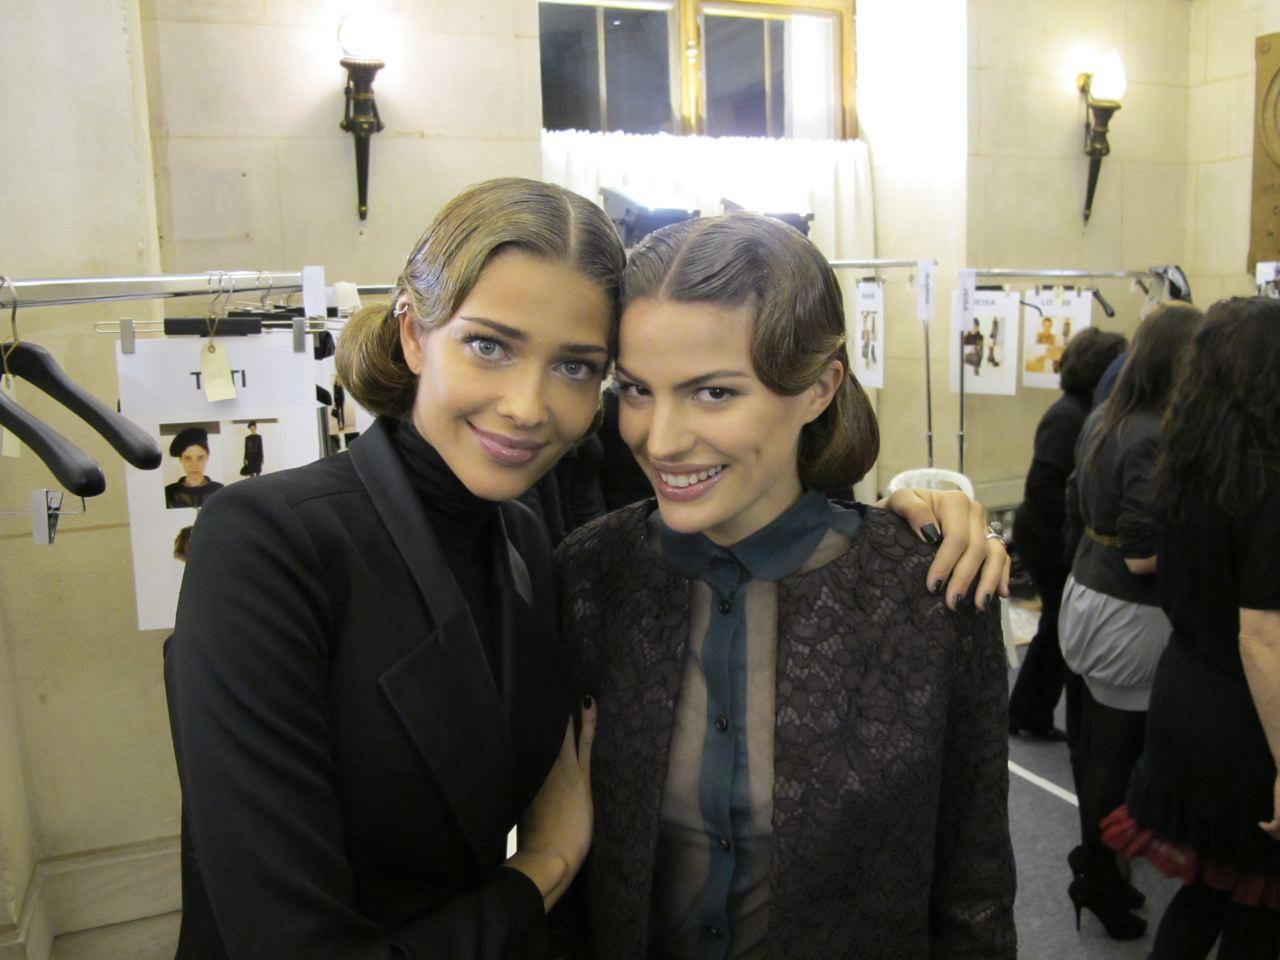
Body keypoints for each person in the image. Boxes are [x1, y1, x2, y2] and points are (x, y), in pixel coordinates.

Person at [164, 181, 1004, 960]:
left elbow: (971, 885)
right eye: (489, 345)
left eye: (574, 366)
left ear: (819, 389)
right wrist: (546, 865)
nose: (528, 406)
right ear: (413, 333)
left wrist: (911, 516)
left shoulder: (530, 549)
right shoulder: (282, 542)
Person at [556, 213, 1016, 959]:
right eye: (636, 389)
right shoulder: (588, 577)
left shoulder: (931, 592)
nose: (659, 438)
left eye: (713, 393)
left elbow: (975, 881)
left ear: (818, 388)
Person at [1104, 297, 1280, 959]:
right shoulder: (1266, 481)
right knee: (1258, 908)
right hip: (1246, 719)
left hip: (1187, 696)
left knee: (1208, 891)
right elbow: (1261, 637)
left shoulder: (1190, 462)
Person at [1057, 303, 1203, 940]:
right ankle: (1098, 875)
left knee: (1095, 749)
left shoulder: (1105, 416)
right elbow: (1145, 554)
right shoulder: (1153, 434)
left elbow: (1074, 501)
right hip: (1127, 612)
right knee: (1113, 761)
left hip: (1088, 592)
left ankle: (1099, 869)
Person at [1008, 327, 1126, 740]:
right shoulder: (1070, 417)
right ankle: (1028, 711)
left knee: (1057, 626)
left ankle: (1028, 711)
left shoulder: (1079, 412)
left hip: (1049, 533)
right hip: (1046, 536)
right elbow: (1044, 488)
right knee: (1059, 625)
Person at [164, 426, 225, 508]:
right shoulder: (168, 493)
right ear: (181, 459)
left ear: (207, 457)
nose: (194, 465)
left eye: (200, 458)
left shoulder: (220, 490)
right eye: (188, 458)